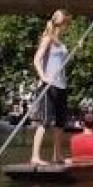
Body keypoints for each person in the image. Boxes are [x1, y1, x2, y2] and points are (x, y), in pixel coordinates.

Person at [31, 9, 71, 165]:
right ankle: (35, 156)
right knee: (45, 121)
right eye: (65, 22)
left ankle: (57, 155)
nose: (66, 26)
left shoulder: (61, 43)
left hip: (61, 85)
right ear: (60, 23)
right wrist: (43, 77)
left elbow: (63, 63)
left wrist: (75, 50)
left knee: (60, 122)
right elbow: (36, 60)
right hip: (49, 85)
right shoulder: (47, 38)